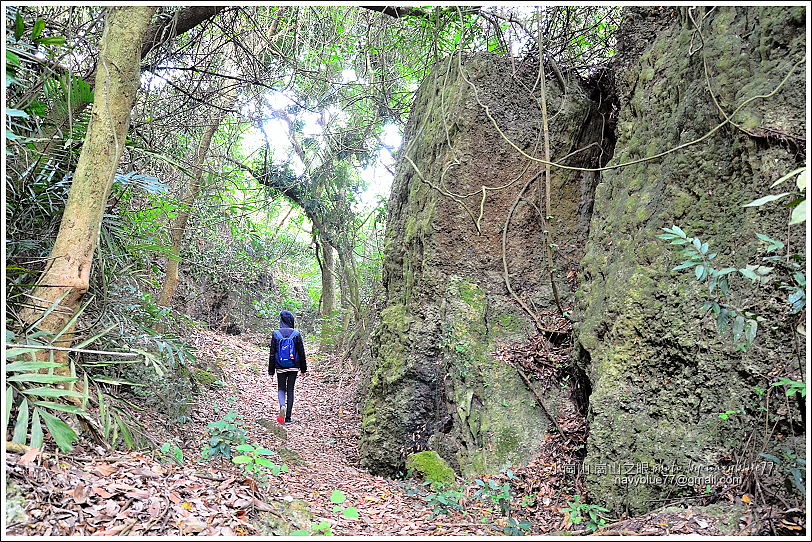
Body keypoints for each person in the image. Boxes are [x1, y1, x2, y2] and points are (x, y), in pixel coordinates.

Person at [269, 310, 307, 425]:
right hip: (293, 366)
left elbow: (272, 353)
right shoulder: (296, 334)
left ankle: (282, 406)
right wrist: (303, 369)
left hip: (280, 366)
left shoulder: (276, 334)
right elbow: (301, 352)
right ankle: (288, 417)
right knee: (290, 389)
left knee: (281, 388)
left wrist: (271, 371)